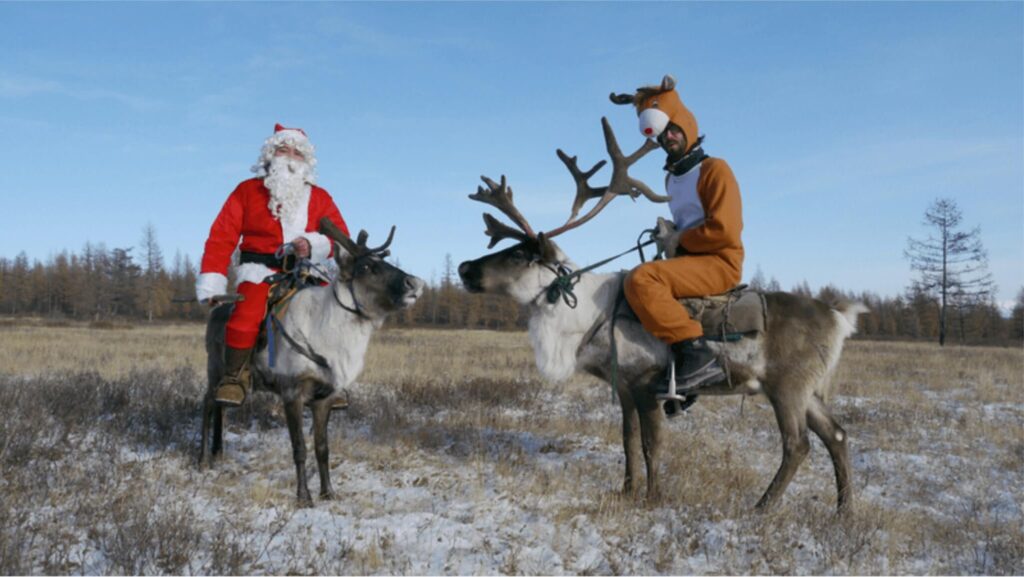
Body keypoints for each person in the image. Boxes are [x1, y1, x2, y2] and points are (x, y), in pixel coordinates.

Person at [196, 124, 350, 408]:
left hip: (308, 274)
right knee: (246, 317)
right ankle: (235, 378)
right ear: (270, 155)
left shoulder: (320, 198)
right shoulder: (247, 191)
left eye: (297, 152)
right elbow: (221, 236)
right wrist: (213, 281)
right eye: (283, 150)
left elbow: (341, 239)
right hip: (260, 273)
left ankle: (330, 381)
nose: (290, 157)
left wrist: (314, 244)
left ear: (306, 161)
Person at [616, 75, 744, 406]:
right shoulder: (672, 178)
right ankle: (681, 376)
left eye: (673, 128)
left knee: (642, 278)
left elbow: (724, 231)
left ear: (687, 123)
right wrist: (670, 231)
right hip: (690, 259)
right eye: (662, 133)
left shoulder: (715, 170)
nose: (668, 136)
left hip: (720, 262)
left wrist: (678, 240)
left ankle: (698, 353)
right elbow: (691, 222)